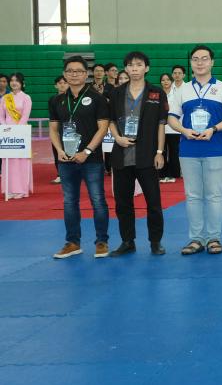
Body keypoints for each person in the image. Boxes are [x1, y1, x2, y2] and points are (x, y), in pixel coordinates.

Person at [168, 45, 222, 255]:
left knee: (214, 195)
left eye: (204, 59)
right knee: (192, 196)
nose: (200, 63)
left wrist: (214, 129)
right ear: (191, 63)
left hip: (216, 148)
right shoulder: (182, 90)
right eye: (196, 59)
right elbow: (172, 118)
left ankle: (214, 238)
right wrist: (184, 130)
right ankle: (196, 239)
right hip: (188, 148)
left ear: (212, 62)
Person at [48, 56, 111, 259]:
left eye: (78, 71)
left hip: (90, 159)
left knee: (98, 200)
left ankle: (102, 241)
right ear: (65, 75)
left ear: (86, 74)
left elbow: (103, 128)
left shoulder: (98, 98)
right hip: (66, 160)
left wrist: (87, 152)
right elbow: (53, 130)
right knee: (69, 201)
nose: (74, 74)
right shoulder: (56, 100)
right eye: (70, 71)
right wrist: (59, 151)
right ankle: (72, 242)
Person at [107, 51, 168, 257]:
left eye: (139, 65)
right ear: (125, 68)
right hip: (122, 155)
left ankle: (155, 241)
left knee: (153, 202)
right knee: (123, 203)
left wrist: (159, 152)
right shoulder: (116, 93)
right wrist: (117, 138)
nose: (134, 69)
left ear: (146, 68)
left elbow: (161, 124)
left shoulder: (156, 92)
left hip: (147, 155)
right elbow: (111, 121)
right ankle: (127, 241)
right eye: (130, 65)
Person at [1, 72, 34, 199]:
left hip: (21, 132)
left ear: (22, 83)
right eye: (12, 80)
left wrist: (17, 130)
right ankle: (9, 188)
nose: (14, 83)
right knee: (8, 160)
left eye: (17, 80)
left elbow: (25, 116)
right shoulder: (5, 98)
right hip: (7, 133)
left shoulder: (26, 98)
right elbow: (1, 116)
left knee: (20, 161)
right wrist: (6, 128)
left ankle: (21, 189)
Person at [158, 73, 181, 184]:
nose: (165, 82)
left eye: (167, 80)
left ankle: (174, 173)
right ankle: (161, 173)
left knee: (174, 152)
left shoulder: (177, 93)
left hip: (174, 128)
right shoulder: (157, 94)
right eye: (163, 80)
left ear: (171, 81)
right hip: (160, 128)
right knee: (161, 151)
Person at [49, 75, 68, 184]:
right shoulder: (52, 99)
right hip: (57, 130)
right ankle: (60, 174)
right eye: (60, 83)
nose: (62, 85)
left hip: (70, 130)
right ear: (55, 86)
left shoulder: (72, 97)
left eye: (64, 82)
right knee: (57, 151)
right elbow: (52, 117)